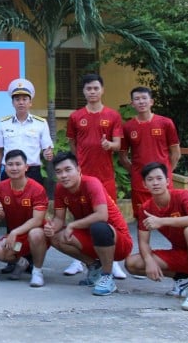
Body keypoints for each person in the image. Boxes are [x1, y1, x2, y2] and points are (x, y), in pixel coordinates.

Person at [124, 162, 188, 311]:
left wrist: (161, 221)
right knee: (132, 263)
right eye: (150, 180)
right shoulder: (146, 208)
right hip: (183, 255)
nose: (155, 183)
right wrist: (149, 260)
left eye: (159, 178)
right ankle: (183, 279)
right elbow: (143, 241)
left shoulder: (182, 196)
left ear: (167, 181)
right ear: (144, 184)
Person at [45, 152, 133, 297]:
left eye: (68, 170)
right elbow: (59, 219)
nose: (64, 175)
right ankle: (94, 267)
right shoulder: (60, 189)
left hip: (117, 240)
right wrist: (51, 227)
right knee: (53, 235)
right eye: (59, 172)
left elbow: (102, 215)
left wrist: (73, 225)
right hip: (90, 236)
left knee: (98, 227)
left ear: (78, 169)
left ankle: (107, 276)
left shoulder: (91, 183)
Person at [64, 74, 124, 278]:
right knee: (80, 216)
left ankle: (113, 260)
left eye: (95, 88)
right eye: (88, 88)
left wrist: (110, 145)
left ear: (102, 90)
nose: (92, 92)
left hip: (105, 177)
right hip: (82, 177)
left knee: (108, 220)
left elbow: (118, 144)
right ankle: (79, 260)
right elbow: (73, 143)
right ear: (84, 91)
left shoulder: (113, 115)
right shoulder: (75, 116)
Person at [119, 87, 181, 220]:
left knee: (169, 217)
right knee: (142, 218)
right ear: (132, 104)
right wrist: (136, 172)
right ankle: (143, 242)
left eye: (144, 98)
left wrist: (167, 172)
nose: (141, 102)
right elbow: (123, 157)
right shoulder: (128, 127)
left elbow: (175, 153)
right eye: (137, 99)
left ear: (151, 101)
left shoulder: (166, 123)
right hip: (140, 182)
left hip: (162, 181)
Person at [0, 149, 49, 287]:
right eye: (10, 164)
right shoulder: (1, 187)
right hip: (18, 239)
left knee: (35, 233)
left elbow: (37, 220)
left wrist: (15, 232)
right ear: (5, 167)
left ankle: (37, 271)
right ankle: (21, 262)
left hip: (37, 235)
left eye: (18, 164)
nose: (14, 168)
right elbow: (2, 218)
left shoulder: (37, 189)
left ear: (26, 167)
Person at [0, 79, 53, 185]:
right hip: (9, 171)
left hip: (32, 172)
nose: (21, 102)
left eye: (24, 99)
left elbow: (46, 149)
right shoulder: (4, 123)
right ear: (12, 103)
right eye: (17, 99)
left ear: (30, 102)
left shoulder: (41, 123)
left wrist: (47, 153)